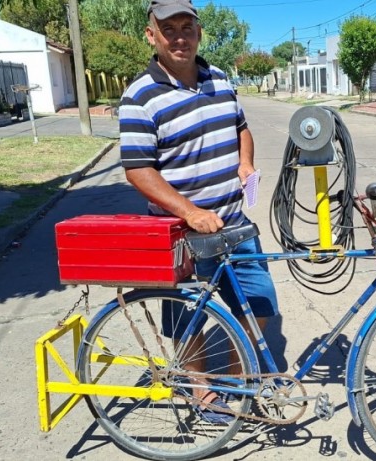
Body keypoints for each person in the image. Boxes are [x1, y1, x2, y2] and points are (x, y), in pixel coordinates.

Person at [118, 0, 279, 424]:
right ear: (151, 34)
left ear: (198, 32)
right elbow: (138, 169)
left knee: (261, 304)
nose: (179, 36)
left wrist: (245, 163)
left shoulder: (220, 79)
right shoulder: (140, 96)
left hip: (235, 225)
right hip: (179, 233)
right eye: (168, 28)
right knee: (186, 321)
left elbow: (240, 127)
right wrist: (189, 212)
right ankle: (202, 395)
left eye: (186, 26)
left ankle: (229, 378)